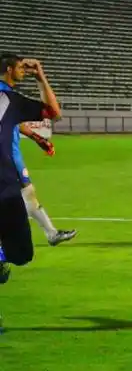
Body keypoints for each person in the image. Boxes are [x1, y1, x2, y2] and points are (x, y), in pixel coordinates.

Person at [0, 54, 62, 284]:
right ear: (8, 70)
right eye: (20, 68)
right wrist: (40, 75)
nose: (23, 71)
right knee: (22, 254)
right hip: (5, 182)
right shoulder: (9, 98)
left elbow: (12, 122)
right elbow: (53, 112)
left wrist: (36, 137)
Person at [13, 122, 77, 247]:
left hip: (13, 157)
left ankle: (51, 233)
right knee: (26, 194)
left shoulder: (6, 106)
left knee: (25, 196)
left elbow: (17, 124)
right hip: (9, 159)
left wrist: (38, 139)